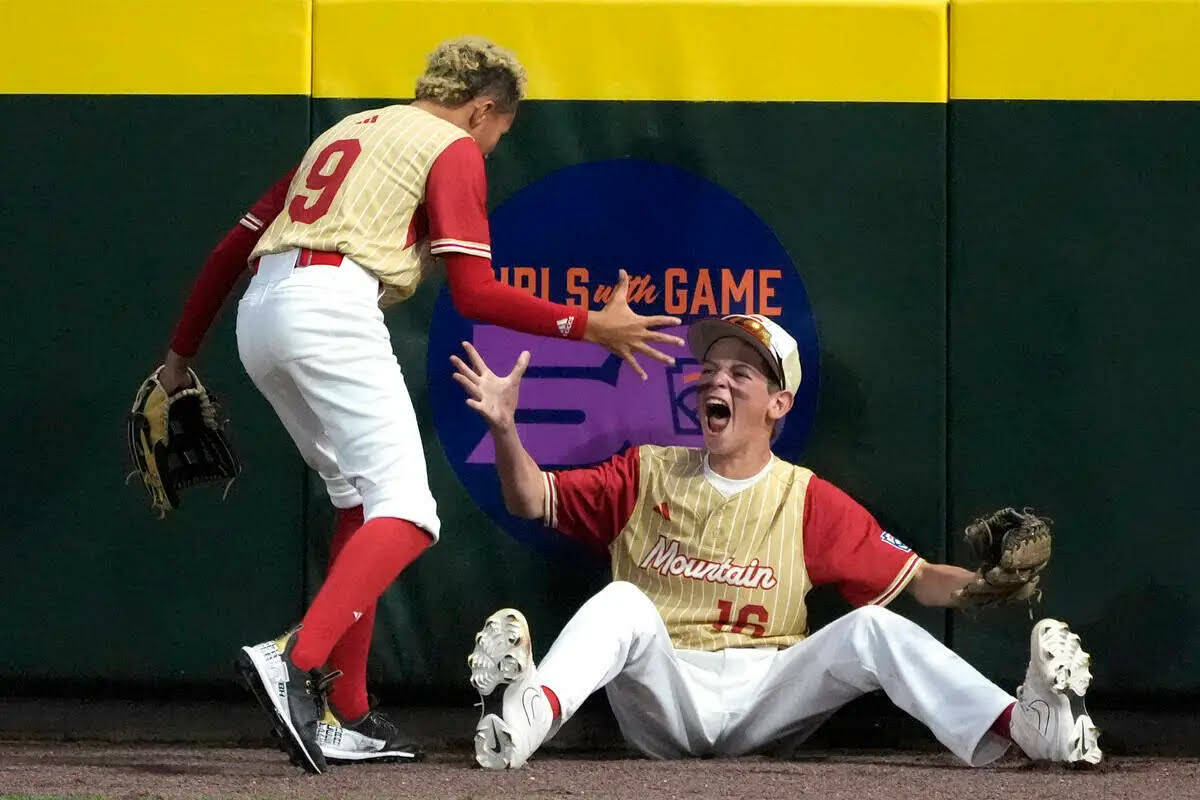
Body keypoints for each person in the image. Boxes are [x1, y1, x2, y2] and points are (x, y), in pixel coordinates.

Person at [157, 36, 684, 774]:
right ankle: (294, 659)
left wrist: (180, 357)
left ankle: (347, 712)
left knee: (361, 504)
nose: (494, 148)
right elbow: (475, 294)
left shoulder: (343, 133)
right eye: (500, 132)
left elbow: (227, 251)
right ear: (484, 107)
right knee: (409, 512)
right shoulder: (453, 145)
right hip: (332, 308)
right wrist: (591, 325)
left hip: (262, 313)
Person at [450, 313, 1103, 769]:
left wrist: (986, 583)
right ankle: (525, 719)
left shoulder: (807, 498)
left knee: (873, 628)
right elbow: (532, 498)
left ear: (777, 404)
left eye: (741, 373)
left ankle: (1028, 728)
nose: (718, 381)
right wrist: (507, 431)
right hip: (666, 688)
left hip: (767, 694)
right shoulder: (645, 470)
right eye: (710, 369)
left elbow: (920, 578)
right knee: (622, 602)